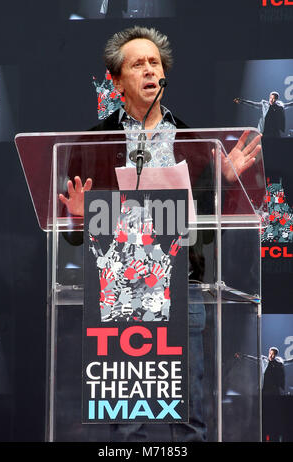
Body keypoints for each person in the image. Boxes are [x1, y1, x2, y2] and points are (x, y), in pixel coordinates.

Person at [59, 26, 262, 442]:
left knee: (187, 415)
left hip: (181, 285)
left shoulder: (194, 142)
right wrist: (80, 218)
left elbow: (205, 228)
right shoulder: (90, 144)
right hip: (118, 287)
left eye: (155, 63)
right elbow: (74, 240)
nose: (150, 70)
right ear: (115, 82)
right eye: (138, 64)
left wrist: (221, 180)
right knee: (125, 419)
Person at [235, 346, 293, 441]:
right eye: (270, 353)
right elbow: (254, 359)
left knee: (274, 414)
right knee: (265, 413)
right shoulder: (264, 360)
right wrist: (243, 356)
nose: (271, 355)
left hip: (274, 392)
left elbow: (289, 361)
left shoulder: (279, 362)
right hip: (265, 391)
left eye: (273, 354)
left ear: (276, 355)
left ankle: (274, 432)